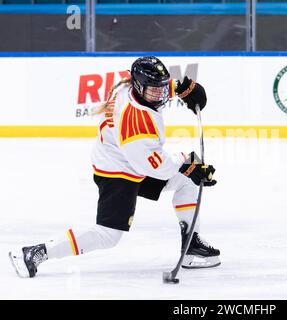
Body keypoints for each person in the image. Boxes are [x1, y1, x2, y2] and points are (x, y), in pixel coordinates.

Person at [9, 56, 220, 278]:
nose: (160, 94)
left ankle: (191, 245)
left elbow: (158, 87)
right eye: (154, 90)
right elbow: (157, 167)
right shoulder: (135, 122)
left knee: (188, 179)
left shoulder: (130, 87)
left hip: (126, 159)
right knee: (108, 235)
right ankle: (35, 253)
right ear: (139, 87)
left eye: (162, 88)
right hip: (118, 172)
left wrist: (181, 87)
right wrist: (187, 164)